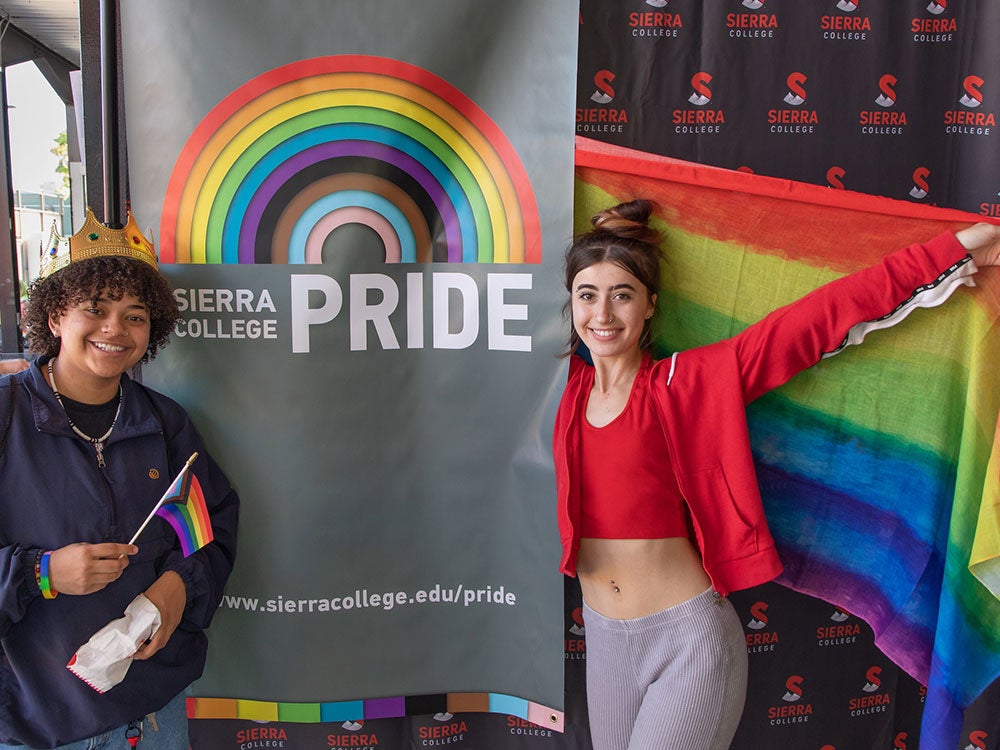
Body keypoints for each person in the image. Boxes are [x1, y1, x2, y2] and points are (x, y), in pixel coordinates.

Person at [552, 199, 1000, 750]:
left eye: (622, 294)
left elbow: (816, 320)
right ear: (570, 304)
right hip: (603, 640)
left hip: (687, 640)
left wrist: (956, 247)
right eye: (587, 295)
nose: (603, 314)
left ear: (650, 306)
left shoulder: (685, 384)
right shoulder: (563, 391)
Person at [0, 208, 239, 749]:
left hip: (156, 714)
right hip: (41, 719)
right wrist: (42, 572)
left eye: (135, 315)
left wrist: (181, 585)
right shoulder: (7, 417)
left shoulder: (165, 421)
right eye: (95, 309)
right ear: (55, 317)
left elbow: (211, 521)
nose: (115, 328)